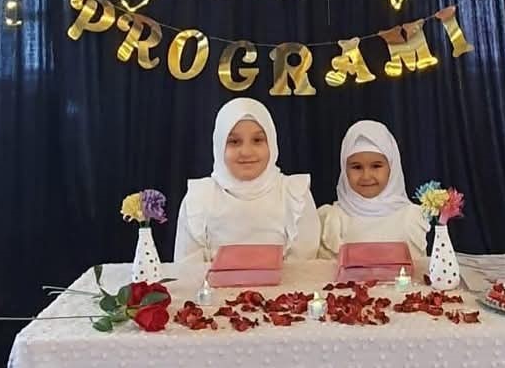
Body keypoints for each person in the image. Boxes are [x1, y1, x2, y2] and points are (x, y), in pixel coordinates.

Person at [172, 99, 319, 276]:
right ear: (219, 145)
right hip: (213, 292)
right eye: (234, 142)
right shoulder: (200, 197)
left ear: (271, 143)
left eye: (257, 140)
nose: (246, 152)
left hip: (284, 290)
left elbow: (303, 268)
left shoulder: (294, 194)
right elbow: (187, 270)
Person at [318, 120, 428, 265]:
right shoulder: (333, 218)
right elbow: (322, 274)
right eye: (357, 167)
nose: (366, 176)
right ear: (344, 170)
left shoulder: (411, 218)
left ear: (392, 167)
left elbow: (420, 271)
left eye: (376, 166)